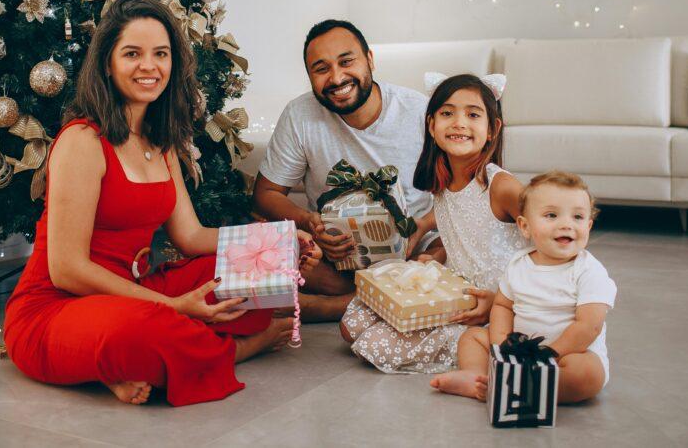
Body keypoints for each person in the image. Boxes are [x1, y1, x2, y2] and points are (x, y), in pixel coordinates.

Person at [4, 0, 320, 406]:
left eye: (161, 54)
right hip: (56, 309)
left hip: (132, 291)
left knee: (247, 277)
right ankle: (235, 351)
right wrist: (174, 307)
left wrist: (277, 239)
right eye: (132, 53)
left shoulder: (161, 141)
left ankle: (123, 366)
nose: (149, 66)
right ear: (107, 63)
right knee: (148, 331)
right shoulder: (83, 140)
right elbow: (66, 270)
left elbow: (190, 236)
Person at [252, 20, 441, 321]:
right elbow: (266, 194)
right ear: (310, 76)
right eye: (321, 68)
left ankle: (330, 306)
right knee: (271, 247)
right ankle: (376, 295)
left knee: (451, 252)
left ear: (370, 60)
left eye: (346, 61)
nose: (337, 78)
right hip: (337, 257)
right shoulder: (299, 115)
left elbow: (464, 190)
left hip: (414, 250)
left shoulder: (419, 111)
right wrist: (309, 223)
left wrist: (423, 226)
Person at [340, 73, 529, 372]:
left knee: (370, 345)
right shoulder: (443, 183)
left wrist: (500, 302)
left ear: (492, 129)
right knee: (351, 325)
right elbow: (459, 222)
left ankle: (477, 348)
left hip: (499, 308)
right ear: (431, 124)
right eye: (447, 113)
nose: (459, 123)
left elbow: (547, 244)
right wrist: (434, 248)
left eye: (473, 114)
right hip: (457, 292)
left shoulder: (502, 188)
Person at [431, 170, 617, 403]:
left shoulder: (590, 271)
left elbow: (589, 326)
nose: (566, 225)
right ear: (525, 226)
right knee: (473, 338)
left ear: (589, 226)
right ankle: (477, 377)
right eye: (551, 215)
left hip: (564, 355)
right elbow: (502, 306)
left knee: (588, 373)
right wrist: (503, 344)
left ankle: (529, 386)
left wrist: (548, 354)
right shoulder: (519, 264)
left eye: (577, 217)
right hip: (518, 350)